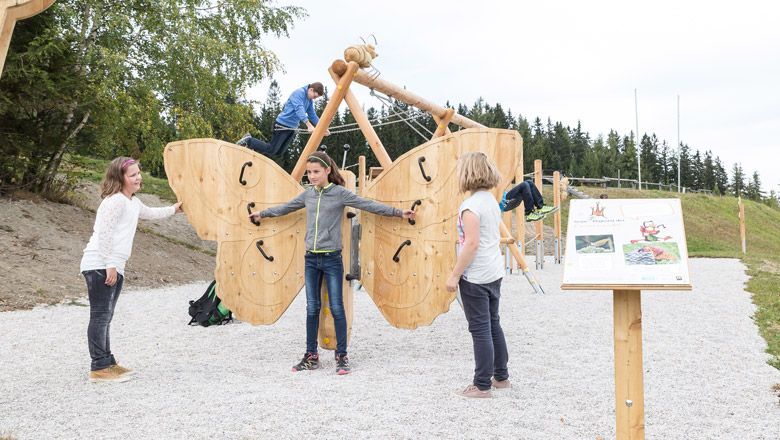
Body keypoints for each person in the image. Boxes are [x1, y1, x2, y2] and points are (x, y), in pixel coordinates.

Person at [249, 151, 415, 375]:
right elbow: (285, 207)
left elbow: (367, 204)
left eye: (316, 171)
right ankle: (311, 356)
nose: (312, 176)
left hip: (332, 259)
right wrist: (263, 214)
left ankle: (342, 355)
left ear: (328, 170)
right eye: (309, 172)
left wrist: (398, 213)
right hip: (311, 259)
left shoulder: (339, 194)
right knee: (311, 309)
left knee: (337, 308)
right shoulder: (308, 195)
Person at [80, 157, 182, 383]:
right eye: (132, 175)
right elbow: (104, 234)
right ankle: (98, 367)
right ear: (120, 178)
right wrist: (109, 264)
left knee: (106, 316)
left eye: (138, 173)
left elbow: (152, 213)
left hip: (112, 264)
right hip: (99, 263)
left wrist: (175, 209)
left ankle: (108, 362)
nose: (138, 178)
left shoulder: (132, 202)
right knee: (100, 316)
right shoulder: (114, 201)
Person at [446, 151, 509, 399]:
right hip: (493, 271)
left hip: (476, 276)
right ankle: (500, 376)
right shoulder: (490, 200)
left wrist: (454, 275)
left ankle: (481, 384)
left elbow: (470, 244)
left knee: (480, 329)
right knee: (493, 323)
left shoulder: (470, 207)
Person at [237, 82, 331, 157]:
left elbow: (312, 115)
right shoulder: (299, 93)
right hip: (282, 125)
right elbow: (299, 109)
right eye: (315, 96)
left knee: (278, 153)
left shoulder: (309, 101)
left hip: (291, 128)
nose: (314, 99)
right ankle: (249, 140)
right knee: (272, 149)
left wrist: (323, 127)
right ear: (310, 89)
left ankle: (254, 150)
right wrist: (309, 125)